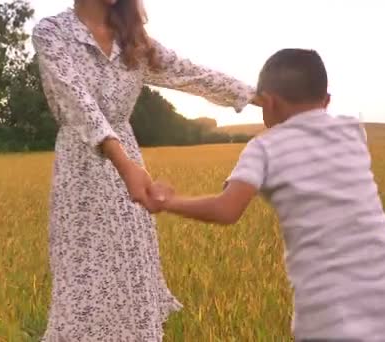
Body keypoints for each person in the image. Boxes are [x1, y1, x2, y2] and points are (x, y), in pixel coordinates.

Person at [150, 48, 385, 341]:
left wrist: (168, 201)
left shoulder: (265, 148)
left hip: (336, 319)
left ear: (268, 103)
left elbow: (226, 209)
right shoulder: (352, 131)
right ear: (326, 100)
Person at [31, 0, 259, 340]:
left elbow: (190, 73)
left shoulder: (134, 41)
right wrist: (124, 165)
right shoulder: (52, 33)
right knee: (83, 283)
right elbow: (79, 103)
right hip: (82, 171)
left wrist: (261, 97)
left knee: (130, 275)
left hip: (130, 175)